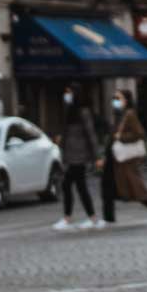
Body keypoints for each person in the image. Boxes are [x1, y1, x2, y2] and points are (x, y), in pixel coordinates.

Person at [99, 88, 147, 224]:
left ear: (126, 100)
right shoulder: (119, 114)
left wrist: (121, 137)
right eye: (114, 98)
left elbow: (139, 134)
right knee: (107, 189)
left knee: (134, 189)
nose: (115, 101)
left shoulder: (129, 114)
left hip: (124, 161)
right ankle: (108, 218)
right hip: (114, 159)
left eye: (118, 98)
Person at [54, 85, 101, 230]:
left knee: (69, 185)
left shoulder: (83, 112)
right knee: (77, 186)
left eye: (69, 93)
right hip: (71, 155)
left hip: (79, 156)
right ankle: (90, 218)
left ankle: (71, 218)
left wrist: (97, 157)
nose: (66, 95)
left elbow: (91, 135)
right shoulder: (69, 111)